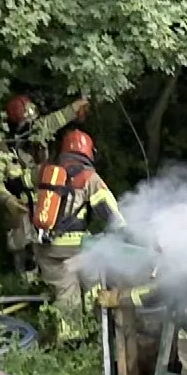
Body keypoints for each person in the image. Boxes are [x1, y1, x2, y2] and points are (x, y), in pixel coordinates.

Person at [29, 127, 124, 343]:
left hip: (46, 246)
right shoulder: (89, 177)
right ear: (88, 152)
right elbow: (111, 214)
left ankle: (71, 341)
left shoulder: (46, 172)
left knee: (65, 293)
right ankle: (100, 333)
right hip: (77, 245)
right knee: (93, 283)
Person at [0, 93, 90, 277]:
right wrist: (7, 200)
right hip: (19, 205)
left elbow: (55, 120)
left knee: (48, 247)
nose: (32, 129)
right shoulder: (1, 148)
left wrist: (75, 107)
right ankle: (27, 287)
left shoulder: (37, 131)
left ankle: (48, 284)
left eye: (33, 123)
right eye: (26, 126)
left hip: (43, 201)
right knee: (25, 252)